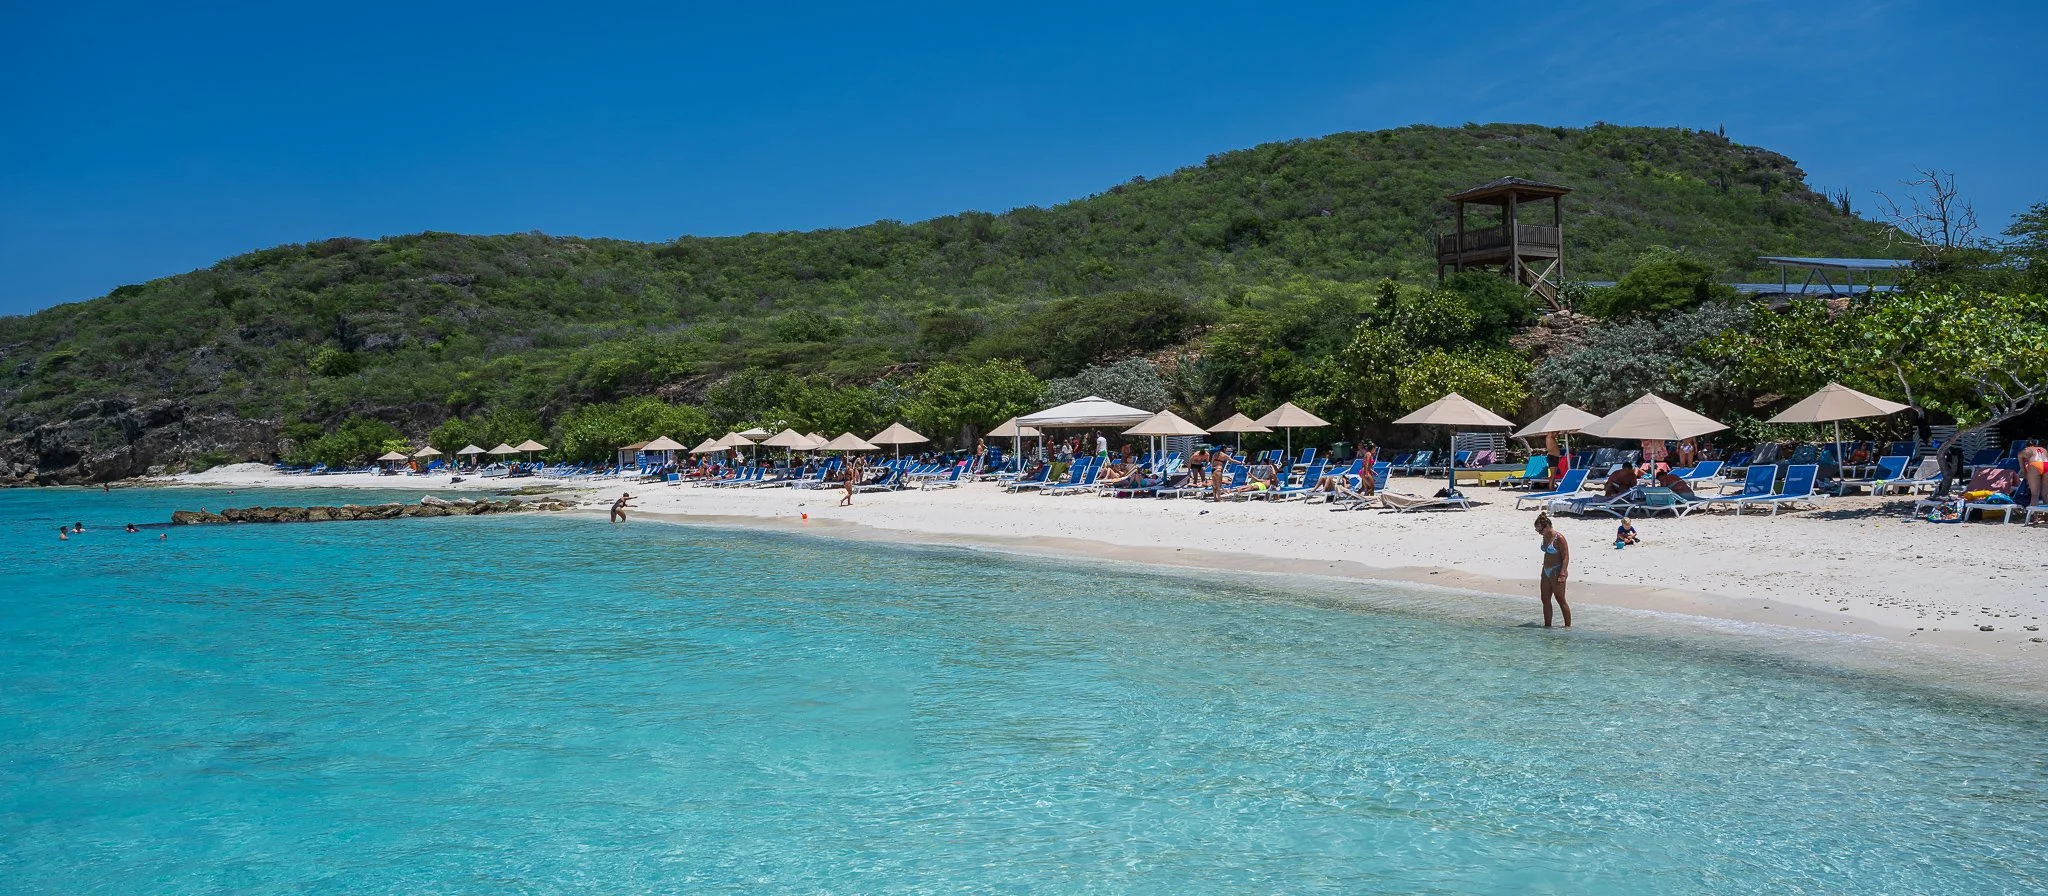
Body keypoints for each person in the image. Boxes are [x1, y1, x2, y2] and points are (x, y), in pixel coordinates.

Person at [1534, 513, 1571, 628]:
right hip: (1546, 570)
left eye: (1540, 530)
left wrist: (1562, 574)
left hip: (1557, 571)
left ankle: (1567, 627)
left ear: (1548, 526)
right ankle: (1547, 626)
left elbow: (1566, 557)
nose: (1539, 533)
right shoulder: (1545, 537)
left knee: (1560, 599)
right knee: (1545, 599)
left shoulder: (1559, 538)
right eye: (1537, 531)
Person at [2020, 443, 2048, 508]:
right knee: (2045, 494)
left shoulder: (2024, 451)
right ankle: (2047, 516)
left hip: (2035, 464)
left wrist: (2027, 477)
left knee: (2035, 494)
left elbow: (2023, 469)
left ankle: (2035, 517)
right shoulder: (2043, 449)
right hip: (2046, 464)